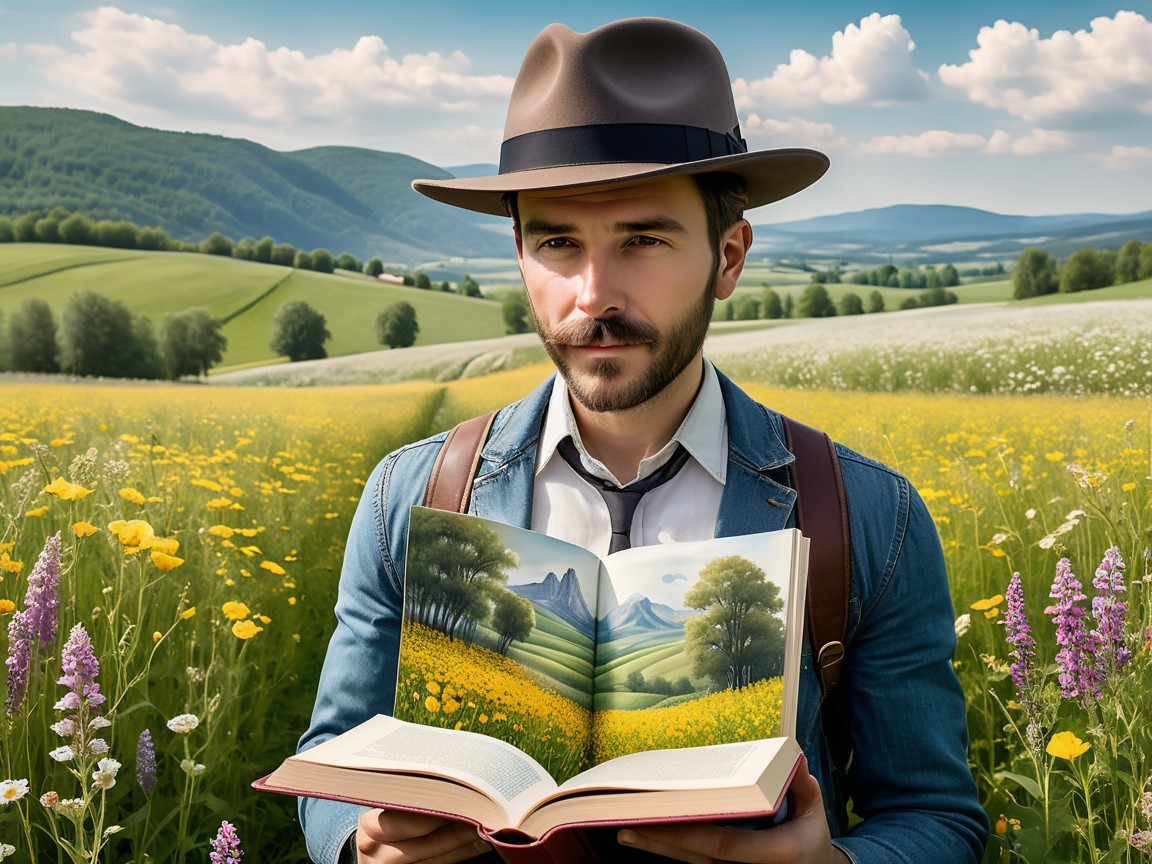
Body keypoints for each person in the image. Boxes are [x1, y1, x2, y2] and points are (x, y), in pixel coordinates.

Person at [298, 17, 990, 864]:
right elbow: (330, 770)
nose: (595, 294)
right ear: (520, 255)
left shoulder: (868, 515)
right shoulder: (409, 497)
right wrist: (360, 846)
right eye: (558, 242)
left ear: (728, 257)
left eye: (644, 240)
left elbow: (937, 819)